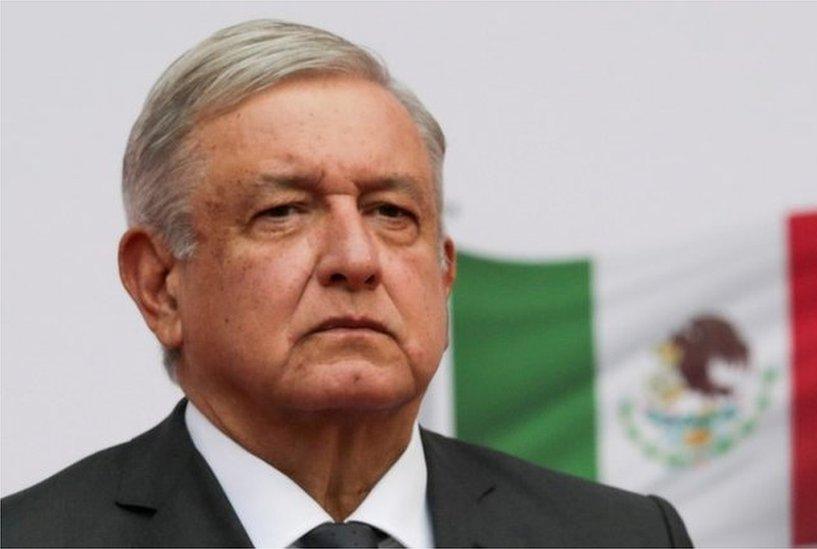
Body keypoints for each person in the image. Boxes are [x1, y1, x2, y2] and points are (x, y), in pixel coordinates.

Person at [1, 20, 692, 548]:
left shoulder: (621, 536)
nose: (356, 258)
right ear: (160, 285)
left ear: (444, 271)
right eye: (283, 212)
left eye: (392, 213)